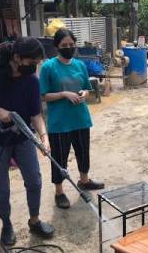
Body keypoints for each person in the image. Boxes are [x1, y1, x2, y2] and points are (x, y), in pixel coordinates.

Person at [0, 37, 54, 246]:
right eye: (31, 61)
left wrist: (44, 137)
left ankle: (34, 220)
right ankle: (6, 224)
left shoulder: (32, 80)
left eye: (37, 62)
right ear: (16, 58)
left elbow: (36, 114)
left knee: (34, 179)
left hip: (23, 136)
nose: (34, 66)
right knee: (1, 186)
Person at [39, 28, 104, 209]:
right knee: (60, 157)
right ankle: (59, 191)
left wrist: (83, 92)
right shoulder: (48, 67)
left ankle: (84, 180)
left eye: (71, 45)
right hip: (59, 122)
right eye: (64, 45)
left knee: (83, 151)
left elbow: (85, 87)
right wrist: (63, 94)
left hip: (80, 118)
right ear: (56, 46)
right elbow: (43, 96)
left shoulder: (79, 65)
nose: (68, 48)